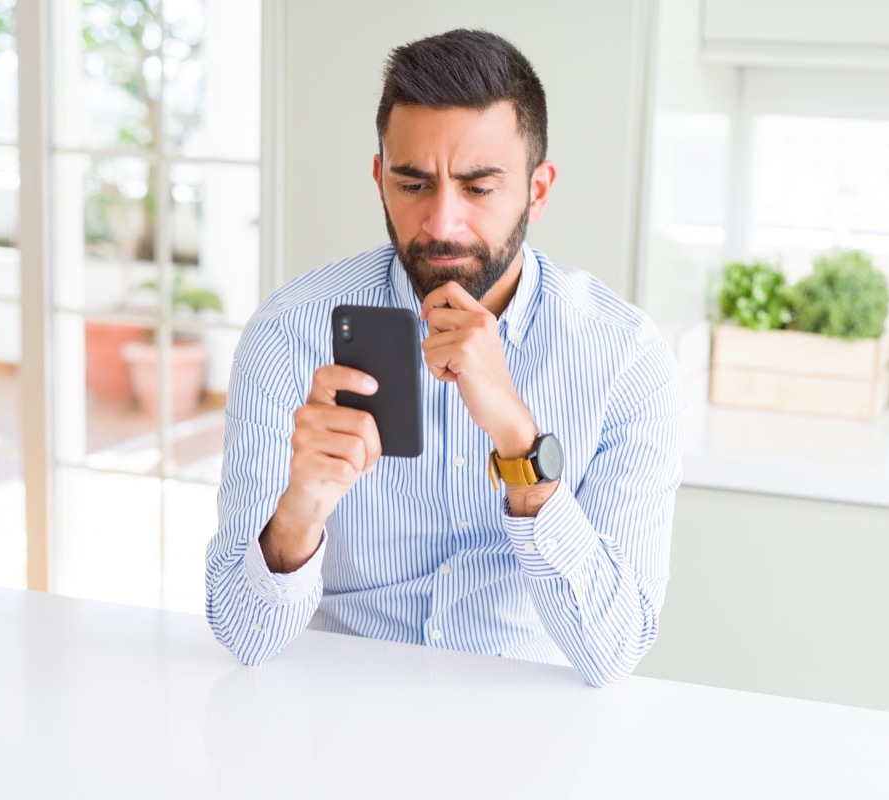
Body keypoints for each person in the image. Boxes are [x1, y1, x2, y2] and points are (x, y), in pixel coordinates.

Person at [205, 29, 685, 687]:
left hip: (528, 732)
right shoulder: (289, 334)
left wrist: (520, 442)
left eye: (479, 188)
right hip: (338, 722)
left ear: (537, 192)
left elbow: (613, 649)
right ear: (379, 181)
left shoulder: (626, 359)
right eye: (413, 184)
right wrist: (300, 512)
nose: (441, 224)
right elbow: (241, 633)